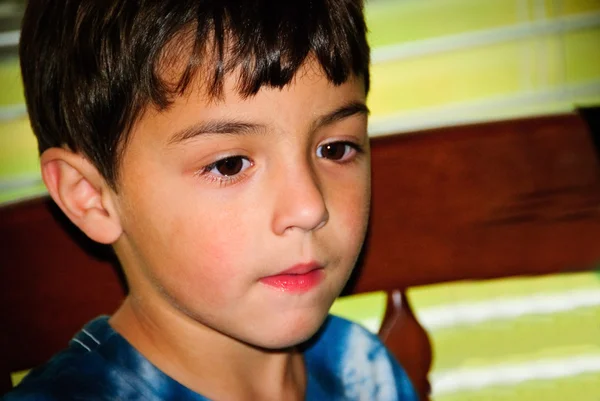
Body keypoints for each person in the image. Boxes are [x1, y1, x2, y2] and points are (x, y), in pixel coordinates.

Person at [5, 0, 418, 400]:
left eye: (335, 149)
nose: (310, 208)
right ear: (91, 197)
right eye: (230, 165)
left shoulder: (364, 372)